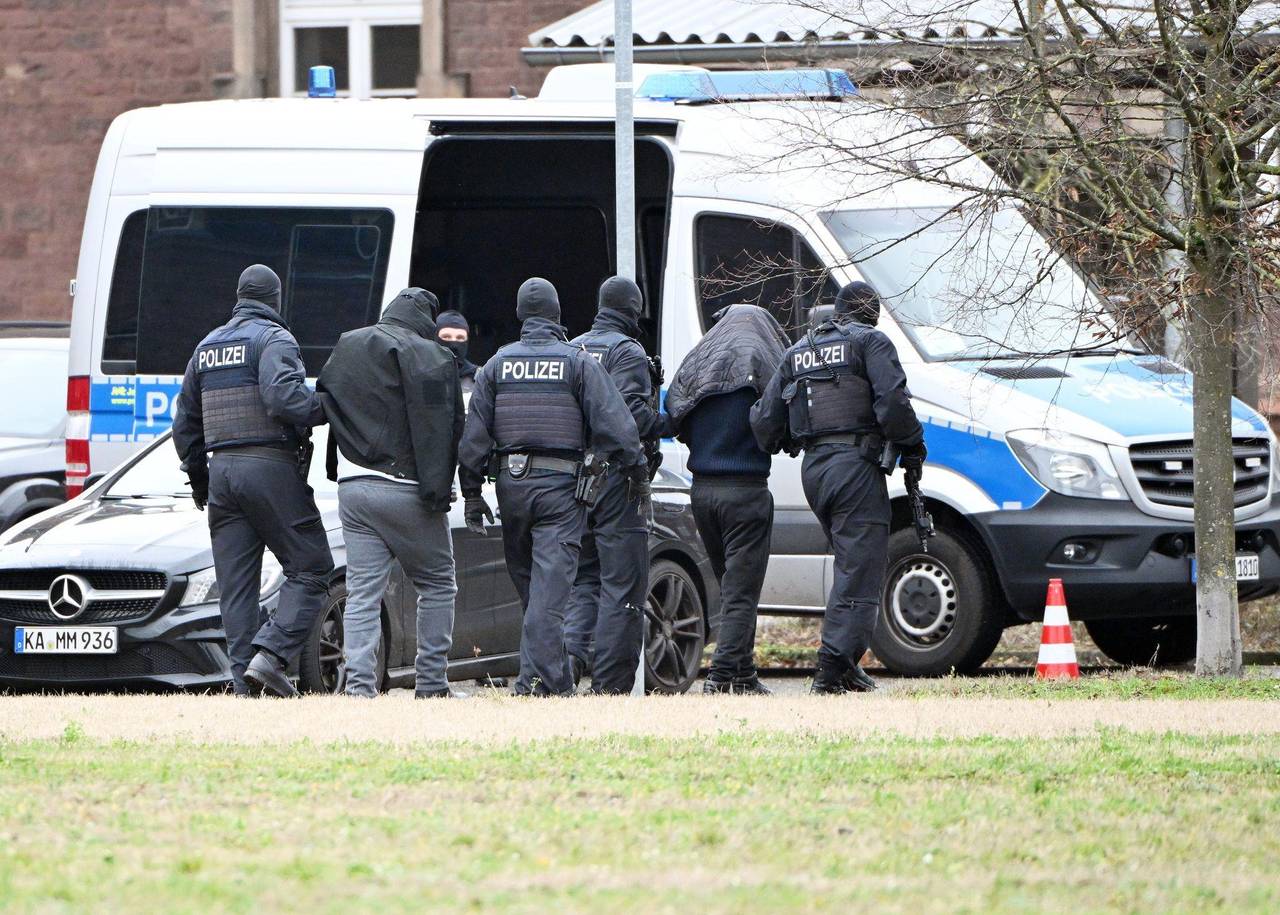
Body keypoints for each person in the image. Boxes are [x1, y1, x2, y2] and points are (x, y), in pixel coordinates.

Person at [457, 277, 646, 696]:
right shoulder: (577, 362)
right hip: (560, 491)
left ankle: (540, 680)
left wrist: (471, 494)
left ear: (520, 315)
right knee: (548, 594)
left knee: (532, 590)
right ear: (557, 313)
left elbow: (473, 439)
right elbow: (617, 426)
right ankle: (547, 684)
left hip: (511, 487)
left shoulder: (496, 365)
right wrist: (636, 470)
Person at [751, 281, 925, 694]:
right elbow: (893, 404)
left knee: (850, 565)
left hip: (815, 471)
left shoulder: (798, 351)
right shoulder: (871, 342)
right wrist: (914, 443)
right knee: (860, 570)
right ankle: (832, 669)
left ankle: (846, 665)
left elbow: (764, 423)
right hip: (855, 469)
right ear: (872, 314)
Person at [172, 264, 333, 698]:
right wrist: (327, 406)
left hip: (222, 473)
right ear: (275, 299)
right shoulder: (274, 339)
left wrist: (201, 481)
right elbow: (285, 400)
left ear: (240, 297)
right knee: (313, 568)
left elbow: (185, 425)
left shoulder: (206, 347)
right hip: (269, 467)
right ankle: (271, 656)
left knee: (236, 587)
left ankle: (245, 685)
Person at [317, 288, 464, 699]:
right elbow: (442, 425)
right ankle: (431, 684)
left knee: (363, 593)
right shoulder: (433, 356)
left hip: (353, 488)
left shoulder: (348, 344)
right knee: (437, 583)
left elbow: (328, 400)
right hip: (405, 490)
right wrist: (440, 490)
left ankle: (359, 688)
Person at [664, 304, 789, 695]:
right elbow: (781, 429)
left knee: (731, 586)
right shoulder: (766, 369)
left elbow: (676, 418)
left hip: (702, 493)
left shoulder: (699, 368)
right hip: (746, 493)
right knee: (741, 591)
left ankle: (744, 674)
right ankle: (720, 677)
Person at [563, 276, 663, 693]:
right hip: (618, 480)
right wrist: (672, 420)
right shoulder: (627, 351)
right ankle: (610, 686)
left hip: (574, 482)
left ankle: (568, 665)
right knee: (623, 586)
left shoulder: (573, 348)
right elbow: (632, 416)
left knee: (583, 581)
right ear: (633, 309)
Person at [435, 310, 478, 394]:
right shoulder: (418, 374)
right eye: (446, 337)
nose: (454, 344)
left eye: (460, 338)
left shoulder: (480, 379)